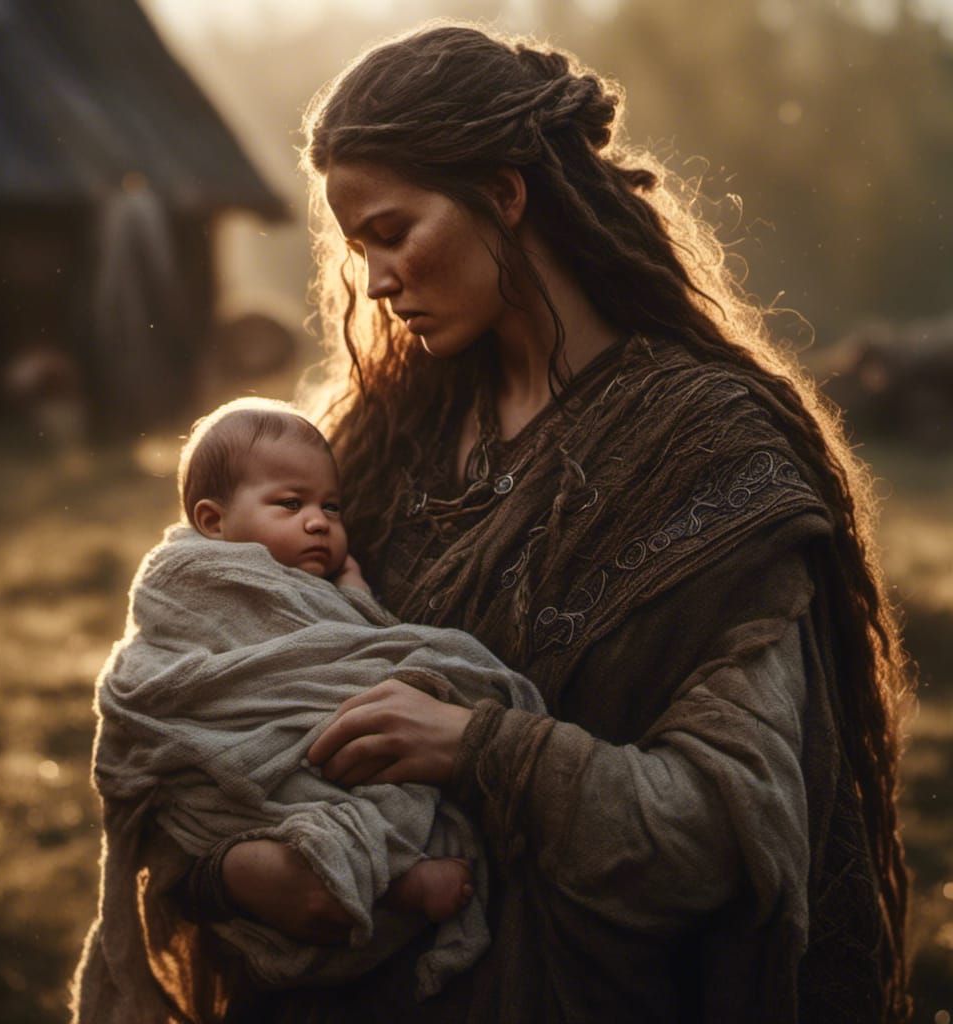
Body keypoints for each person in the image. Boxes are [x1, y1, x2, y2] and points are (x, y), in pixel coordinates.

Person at [79, 22, 913, 1023]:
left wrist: (480, 747)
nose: (377, 281)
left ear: (504, 195)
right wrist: (226, 874)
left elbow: (721, 833)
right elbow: (213, 715)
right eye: (357, 249)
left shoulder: (708, 454)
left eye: (393, 232)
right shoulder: (380, 438)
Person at [71, 397, 544, 1020]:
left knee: (355, 789)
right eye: (290, 505)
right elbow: (175, 677)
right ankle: (394, 881)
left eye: (331, 506)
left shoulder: (316, 583)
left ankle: (375, 873)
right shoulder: (196, 582)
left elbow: (356, 649)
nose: (319, 522)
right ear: (213, 522)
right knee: (310, 824)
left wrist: (353, 600)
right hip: (235, 768)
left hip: (316, 762)